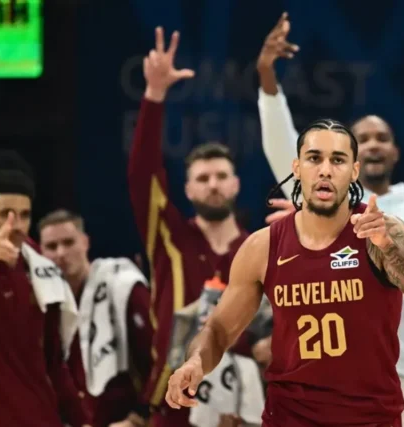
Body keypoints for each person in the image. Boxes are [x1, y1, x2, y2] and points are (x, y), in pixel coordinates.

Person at [256, 13, 404, 427]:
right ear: (351, 159)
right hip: (329, 380)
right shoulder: (319, 209)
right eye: (365, 138)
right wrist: (267, 75)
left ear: (395, 151)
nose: (374, 144)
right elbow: (280, 143)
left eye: (383, 138)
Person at [165, 118, 404, 426]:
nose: (325, 170)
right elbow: (219, 329)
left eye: (338, 160)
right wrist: (195, 361)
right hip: (289, 417)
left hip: (370, 418)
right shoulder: (263, 247)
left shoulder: (382, 231)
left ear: (354, 171)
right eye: (314, 158)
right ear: (297, 168)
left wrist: (389, 249)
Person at [128, 27, 266, 427]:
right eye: (203, 178)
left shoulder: (259, 247)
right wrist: (154, 95)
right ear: (187, 189)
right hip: (171, 407)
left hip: (241, 413)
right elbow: (142, 176)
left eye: (221, 176)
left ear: (236, 184)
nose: (213, 185)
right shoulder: (168, 237)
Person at [0, 164, 92, 426]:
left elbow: (55, 362)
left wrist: (81, 420)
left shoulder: (40, 270)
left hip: (42, 417)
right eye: (5, 214)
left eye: (24, 215)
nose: (16, 226)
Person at [38, 209, 154, 427]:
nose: (61, 253)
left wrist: (138, 418)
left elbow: (156, 358)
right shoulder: (43, 306)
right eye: (51, 247)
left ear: (85, 242)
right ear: (41, 254)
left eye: (68, 242)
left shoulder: (122, 285)